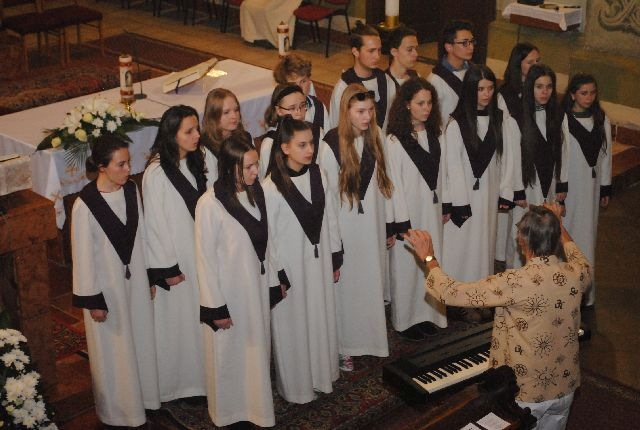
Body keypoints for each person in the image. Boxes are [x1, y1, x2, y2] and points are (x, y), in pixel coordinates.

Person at [405, 203, 593, 430]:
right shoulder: (577, 273)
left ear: (522, 241)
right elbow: (575, 253)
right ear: (555, 237)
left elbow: (449, 292)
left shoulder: (513, 282)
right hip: (565, 386)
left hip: (526, 392)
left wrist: (428, 258)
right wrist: (558, 225)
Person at [195, 133, 285, 428]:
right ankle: (230, 414)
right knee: (230, 355)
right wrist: (215, 307)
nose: (256, 171)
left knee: (256, 352)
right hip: (230, 294)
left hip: (255, 289)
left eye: (256, 164)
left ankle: (256, 409)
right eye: (248, 167)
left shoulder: (256, 191)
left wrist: (275, 278)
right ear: (230, 167)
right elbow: (205, 260)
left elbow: (268, 242)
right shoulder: (209, 204)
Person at [71, 135, 160, 427]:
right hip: (107, 291)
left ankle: (144, 400)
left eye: (128, 163)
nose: (128, 169)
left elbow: (142, 236)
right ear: (102, 167)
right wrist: (93, 300)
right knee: (115, 351)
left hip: (135, 284)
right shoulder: (85, 205)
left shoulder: (131, 190)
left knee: (141, 341)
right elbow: (83, 257)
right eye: (121, 164)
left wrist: (148, 276)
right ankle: (118, 411)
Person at [263, 116, 342, 403]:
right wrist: (278, 275)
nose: (310, 150)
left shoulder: (318, 174)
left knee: (320, 317)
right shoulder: (271, 187)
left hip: (318, 264)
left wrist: (335, 254)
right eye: (302, 145)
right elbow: (268, 238)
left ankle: (322, 375)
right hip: (291, 269)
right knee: (294, 326)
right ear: (285, 148)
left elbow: (330, 215)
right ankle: (297, 388)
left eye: (311, 144)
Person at [318, 83, 395, 371]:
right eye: (360, 111)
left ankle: (370, 339)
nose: (367, 117)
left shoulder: (376, 136)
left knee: (369, 283)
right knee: (347, 288)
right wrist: (333, 242)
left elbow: (384, 184)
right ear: (346, 110)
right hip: (346, 228)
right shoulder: (330, 144)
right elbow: (327, 200)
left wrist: (388, 224)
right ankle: (344, 346)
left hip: (371, 226)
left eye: (370, 110)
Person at [142, 105, 216, 403]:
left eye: (197, 128)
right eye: (189, 131)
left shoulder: (202, 158)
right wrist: (167, 268)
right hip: (179, 259)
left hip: (204, 250)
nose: (197, 135)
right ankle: (184, 385)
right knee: (182, 322)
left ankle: (208, 377)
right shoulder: (156, 173)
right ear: (172, 135)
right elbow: (155, 224)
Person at [441, 64, 517, 322]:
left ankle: (480, 293)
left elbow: (506, 158)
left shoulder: (500, 119)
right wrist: (458, 202)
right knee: (462, 247)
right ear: (470, 90)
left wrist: (506, 190)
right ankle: (457, 300)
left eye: (490, 88)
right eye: (480, 89)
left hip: (488, 194)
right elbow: (452, 165)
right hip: (464, 197)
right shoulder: (457, 124)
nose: (486, 94)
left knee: (483, 246)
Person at [385, 77, 447, 341]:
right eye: (420, 103)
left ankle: (430, 313)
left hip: (431, 208)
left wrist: (445, 203)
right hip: (408, 213)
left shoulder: (435, 134)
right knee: (407, 267)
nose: (426, 108)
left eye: (430, 103)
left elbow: (442, 173)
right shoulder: (394, 140)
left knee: (431, 260)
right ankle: (406, 319)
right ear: (407, 105)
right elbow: (393, 184)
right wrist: (401, 221)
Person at [508, 64, 568, 269]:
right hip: (526, 188)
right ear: (529, 87)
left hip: (548, 185)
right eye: (539, 86)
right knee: (523, 236)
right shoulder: (517, 116)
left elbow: (563, 151)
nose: (545, 92)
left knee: (547, 237)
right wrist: (517, 190)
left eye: (549, 87)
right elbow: (513, 157)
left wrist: (561, 184)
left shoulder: (557, 116)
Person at [561, 73, 612, 306]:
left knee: (587, 235)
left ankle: (585, 293)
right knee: (568, 233)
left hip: (591, 190)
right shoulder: (564, 120)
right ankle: (565, 290)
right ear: (573, 94)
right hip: (570, 189)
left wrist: (605, 187)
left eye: (592, 93)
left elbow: (606, 155)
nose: (589, 97)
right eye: (583, 93)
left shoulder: (601, 119)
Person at [495, 43, 541, 263]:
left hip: (535, 161)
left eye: (537, 61)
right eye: (530, 62)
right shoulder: (505, 95)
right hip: (515, 161)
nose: (535, 66)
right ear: (518, 64)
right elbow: (505, 135)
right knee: (514, 221)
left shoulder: (539, 90)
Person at [329, 21, 393, 130]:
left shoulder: (386, 80)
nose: (377, 56)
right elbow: (336, 127)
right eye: (371, 51)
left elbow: (389, 121)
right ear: (356, 52)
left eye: (379, 50)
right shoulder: (344, 87)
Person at [258, 84, 322, 179]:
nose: (299, 112)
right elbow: (265, 179)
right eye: (292, 108)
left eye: (302, 105)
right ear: (279, 110)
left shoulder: (316, 131)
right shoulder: (270, 143)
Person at [427, 20, 476, 126]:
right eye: (465, 43)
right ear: (449, 47)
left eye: (472, 42)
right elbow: (431, 118)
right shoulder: (435, 80)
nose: (471, 47)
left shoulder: (475, 71)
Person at [273, 53, 331, 131]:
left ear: (310, 81)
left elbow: (327, 135)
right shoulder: (281, 112)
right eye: (293, 84)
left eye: (303, 81)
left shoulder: (318, 107)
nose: (299, 88)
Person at [200, 88, 251, 157]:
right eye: (226, 112)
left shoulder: (245, 137)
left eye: (236, 110)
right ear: (213, 116)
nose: (234, 116)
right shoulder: (205, 148)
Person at [386, 25, 419, 91]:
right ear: (394, 52)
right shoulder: (384, 83)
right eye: (409, 50)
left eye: (416, 49)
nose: (416, 54)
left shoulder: (416, 76)